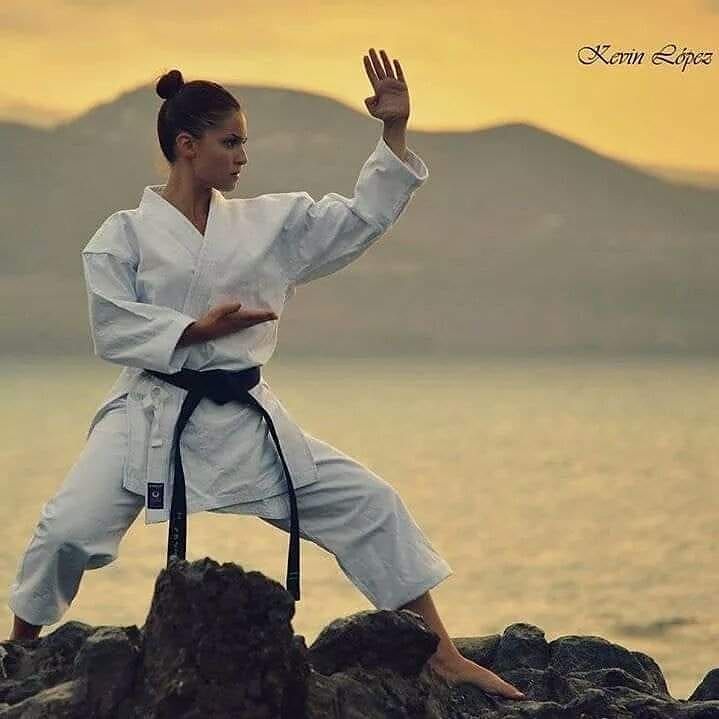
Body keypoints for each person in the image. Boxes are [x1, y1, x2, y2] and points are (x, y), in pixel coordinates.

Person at [7, 49, 526, 700]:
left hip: (245, 417)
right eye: (231, 142)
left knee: (368, 503)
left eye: (244, 142)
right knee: (66, 529)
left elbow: (356, 218)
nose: (243, 157)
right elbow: (111, 325)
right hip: (153, 413)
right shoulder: (122, 235)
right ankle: (17, 654)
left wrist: (391, 133)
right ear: (187, 146)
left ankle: (442, 653)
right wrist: (196, 331)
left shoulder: (266, 224)